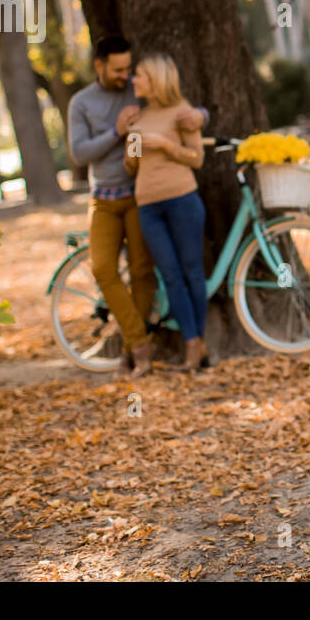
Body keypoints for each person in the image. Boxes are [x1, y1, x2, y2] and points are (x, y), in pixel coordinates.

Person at [67, 36, 208, 376]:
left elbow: (179, 110)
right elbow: (79, 153)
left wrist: (200, 116)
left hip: (139, 198)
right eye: (118, 70)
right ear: (99, 65)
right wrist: (118, 134)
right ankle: (137, 341)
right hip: (104, 198)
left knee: (146, 272)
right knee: (103, 269)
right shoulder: (81, 103)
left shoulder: (139, 92)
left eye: (130, 69)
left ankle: (141, 352)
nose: (127, 76)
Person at [123, 55, 208, 375]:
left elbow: (196, 159)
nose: (134, 81)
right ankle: (194, 342)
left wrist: (163, 144)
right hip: (149, 207)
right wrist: (132, 145)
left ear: (156, 79)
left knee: (192, 272)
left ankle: (194, 344)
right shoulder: (139, 116)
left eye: (140, 76)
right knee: (170, 276)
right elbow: (131, 166)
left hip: (183, 200)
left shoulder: (182, 113)